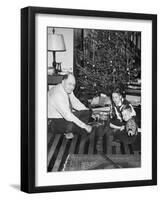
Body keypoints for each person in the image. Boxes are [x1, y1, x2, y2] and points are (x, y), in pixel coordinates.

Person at [48, 73, 93, 139]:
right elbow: (68, 116)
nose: (72, 87)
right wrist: (85, 126)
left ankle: (71, 130)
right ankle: (72, 130)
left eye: (73, 85)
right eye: (69, 84)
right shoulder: (57, 94)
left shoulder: (67, 89)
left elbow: (75, 102)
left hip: (64, 117)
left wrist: (86, 110)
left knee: (87, 112)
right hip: (52, 121)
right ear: (63, 82)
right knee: (72, 124)